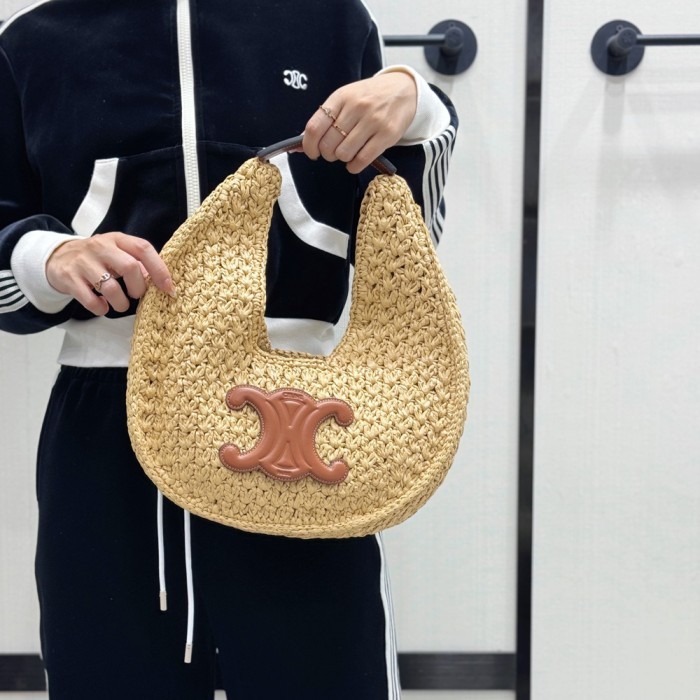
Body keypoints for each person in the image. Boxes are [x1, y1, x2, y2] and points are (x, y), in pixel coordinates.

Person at [0, 1, 457, 698]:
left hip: (301, 416)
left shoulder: (328, 19)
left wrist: (415, 101)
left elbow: (408, 231)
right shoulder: (35, 42)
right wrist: (49, 255)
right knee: (106, 672)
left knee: (325, 677)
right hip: (107, 422)